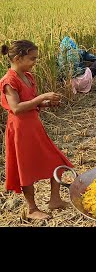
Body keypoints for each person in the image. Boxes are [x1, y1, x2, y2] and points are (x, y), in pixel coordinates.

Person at [0, 40, 74, 220]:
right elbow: (16, 108)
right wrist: (41, 97)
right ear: (18, 58)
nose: (35, 62)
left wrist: (47, 103)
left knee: (57, 160)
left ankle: (54, 200)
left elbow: (30, 103)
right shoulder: (9, 81)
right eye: (32, 58)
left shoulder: (28, 77)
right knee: (25, 168)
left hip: (34, 126)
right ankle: (32, 209)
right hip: (20, 130)